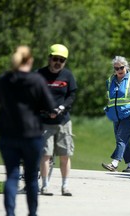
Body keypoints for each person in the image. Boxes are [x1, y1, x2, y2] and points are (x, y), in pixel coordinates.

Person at [0, 45, 55, 216]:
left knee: (12, 176)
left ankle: (10, 213)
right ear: (29, 60)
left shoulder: (4, 79)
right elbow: (50, 106)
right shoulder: (36, 80)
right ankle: (32, 213)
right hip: (32, 134)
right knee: (30, 178)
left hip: (7, 134)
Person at [37, 44, 77, 196]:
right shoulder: (40, 74)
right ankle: (45, 186)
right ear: (49, 58)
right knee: (45, 155)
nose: (58, 62)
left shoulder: (68, 76)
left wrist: (61, 108)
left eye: (61, 60)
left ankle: (65, 186)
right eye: (55, 59)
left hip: (63, 122)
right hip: (44, 122)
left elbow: (72, 95)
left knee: (65, 154)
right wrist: (46, 110)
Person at [102, 56, 130, 172]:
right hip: (115, 115)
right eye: (116, 68)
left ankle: (115, 163)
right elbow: (110, 98)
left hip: (129, 114)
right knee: (123, 140)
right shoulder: (111, 80)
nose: (119, 70)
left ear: (126, 67)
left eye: (121, 67)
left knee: (121, 138)